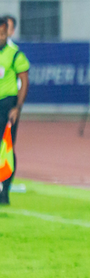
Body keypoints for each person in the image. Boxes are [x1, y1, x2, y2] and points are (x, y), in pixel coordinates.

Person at [0, 18, 29, 206]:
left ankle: (5, 191)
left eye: (3, 34)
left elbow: (24, 81)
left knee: (7, 148)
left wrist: (17, 107)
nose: (0, 37)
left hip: (7, 105)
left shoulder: (15, 54)